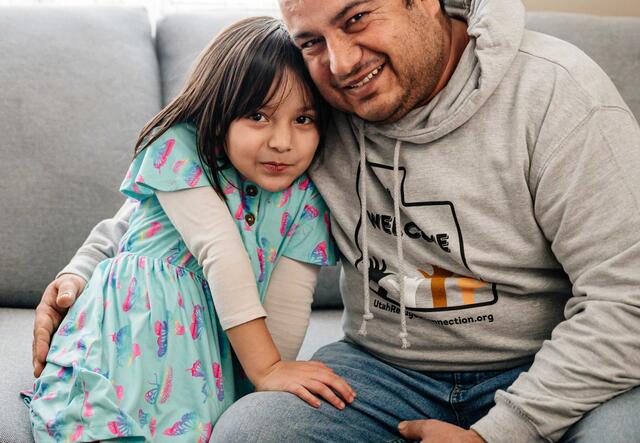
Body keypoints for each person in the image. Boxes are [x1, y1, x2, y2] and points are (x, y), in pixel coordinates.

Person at [33, 0, 640, 442]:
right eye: (311, 40)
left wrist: (506, 432)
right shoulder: (310, 105)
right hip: (381, 372)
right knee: (252, 433)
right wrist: (81, 273)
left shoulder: (557, 93)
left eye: (357, 18)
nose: (342, 63)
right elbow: (178, 202)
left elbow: (628, 295)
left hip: (544, 366)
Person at [23, 16, 355, 442]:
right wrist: (267, 367)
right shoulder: (183, 149)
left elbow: (289, 309)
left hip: (202, 362)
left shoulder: (307, 198)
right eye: (258, 115)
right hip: (127, 324)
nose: (282, 141)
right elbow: (220, 252)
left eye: (304, 120)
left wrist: (266, 383)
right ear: (219, 115)